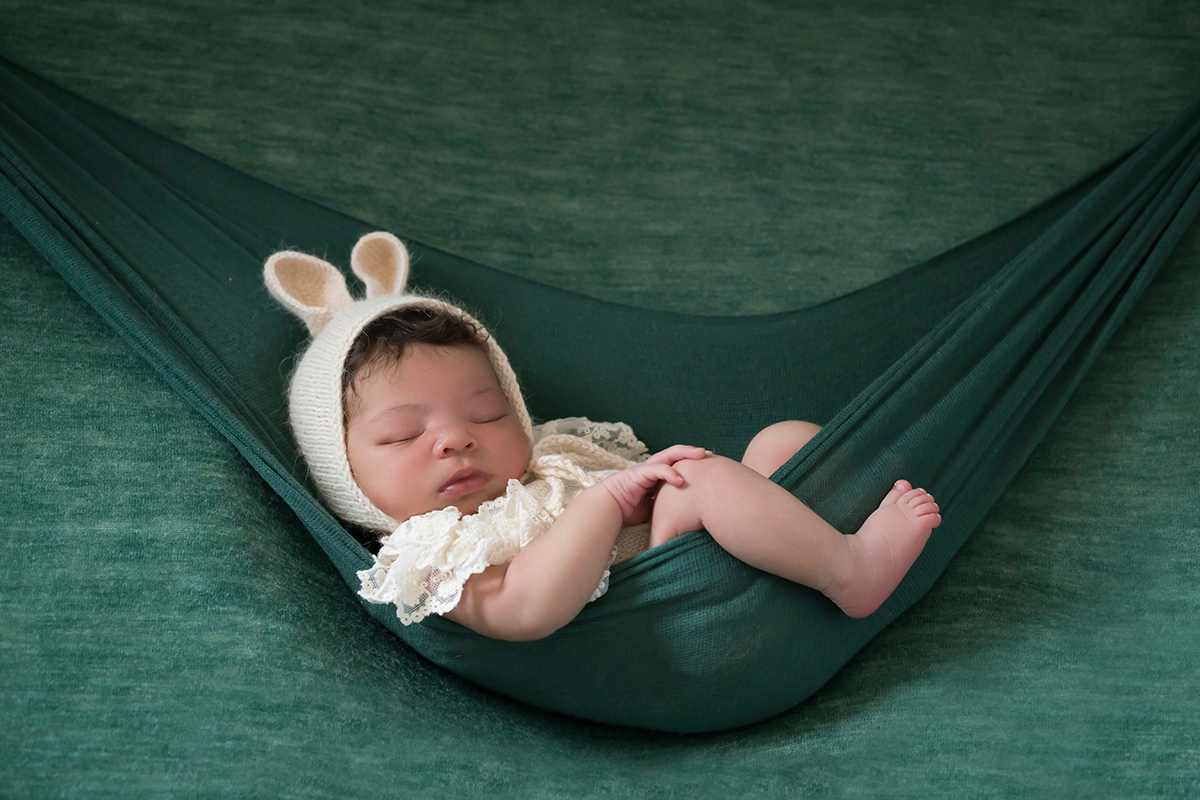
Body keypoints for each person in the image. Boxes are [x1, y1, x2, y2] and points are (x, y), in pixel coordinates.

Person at [266, 231, 941, 643]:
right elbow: (526, 608)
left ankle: (845, 560)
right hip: (661, 611)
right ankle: (848, 573)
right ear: (343, 477)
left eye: (486, 413)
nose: (453, 440)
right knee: (701, 480)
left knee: (783, 443)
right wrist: (610, 503)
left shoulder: (554, 461)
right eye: (404, 435)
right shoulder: (429, 554)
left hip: (697, 555)